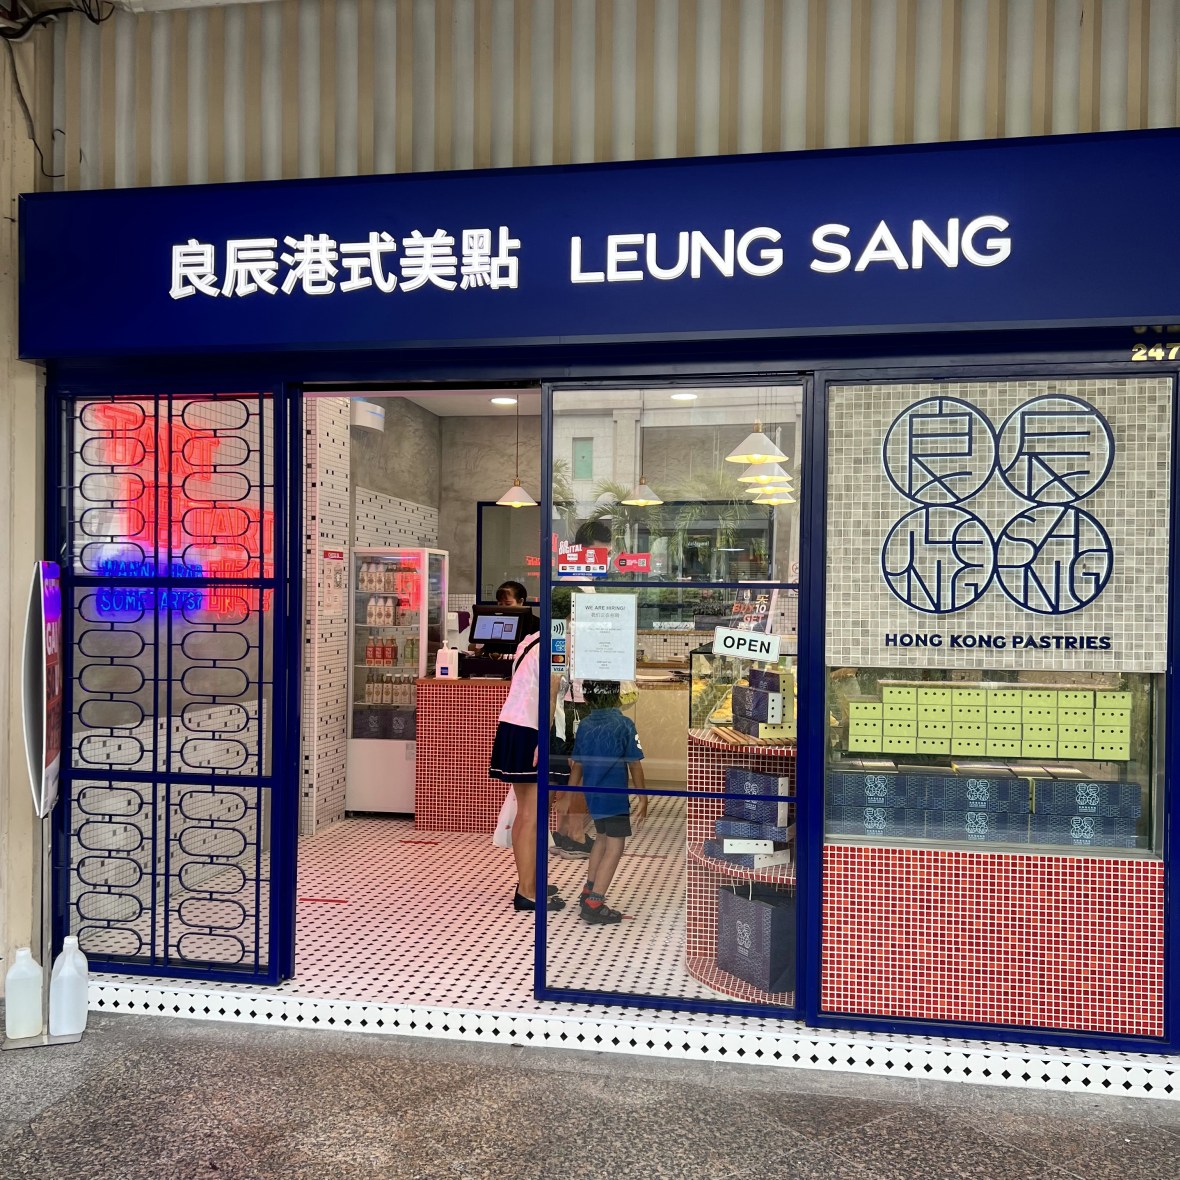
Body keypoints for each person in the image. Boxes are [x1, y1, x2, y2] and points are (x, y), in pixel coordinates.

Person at [488, 609, 564, 913]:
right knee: (531, 813)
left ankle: (530, 881)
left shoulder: (530, 640)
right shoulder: (557, 643)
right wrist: (544, 740)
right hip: (531, 728)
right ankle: (527, 891)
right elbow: (551, 691)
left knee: (528, 812)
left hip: (514, 724)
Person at [566, 680, 647, 926]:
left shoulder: (585, 725)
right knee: (615, 846)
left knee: (600, 840)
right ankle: (595, 903)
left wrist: (569, 795)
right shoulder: (624, 724)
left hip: (593, 796)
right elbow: (635, 764)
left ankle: (589, 890)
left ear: (587, 699)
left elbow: (577, 764)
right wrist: (643, 797)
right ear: (617, 697)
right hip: (614, 797)